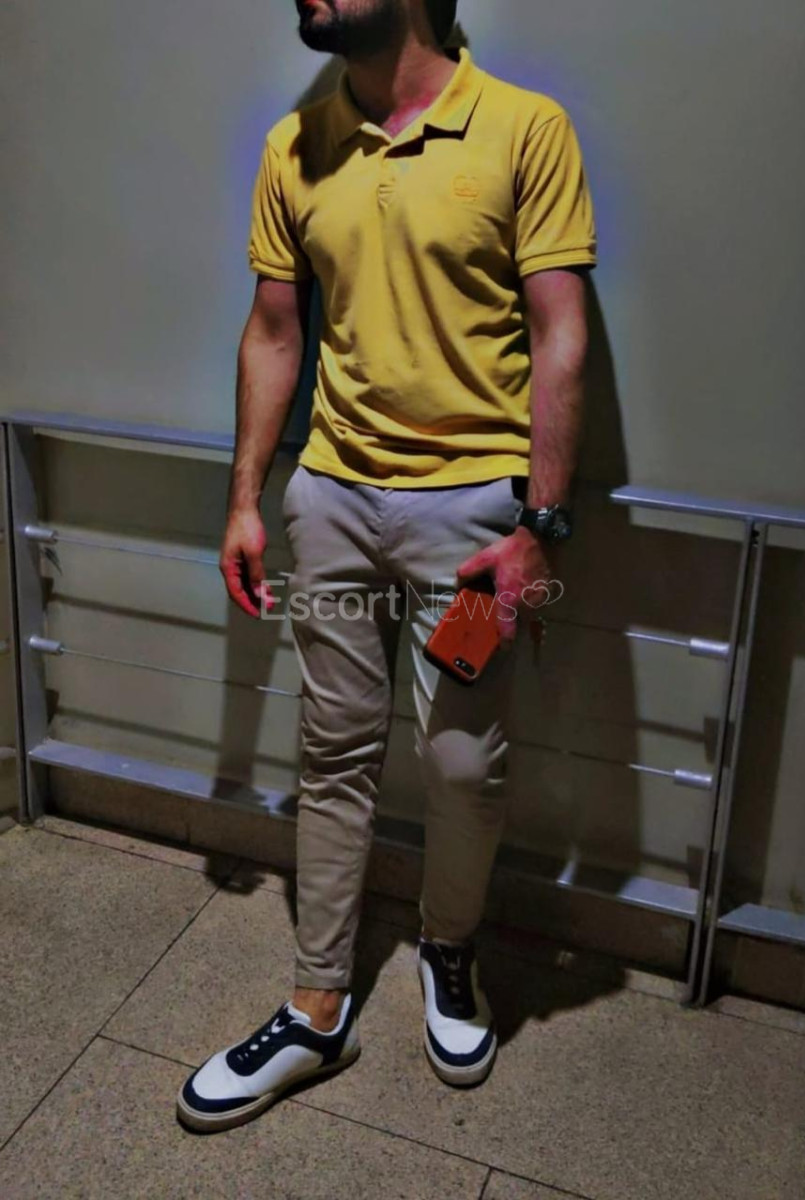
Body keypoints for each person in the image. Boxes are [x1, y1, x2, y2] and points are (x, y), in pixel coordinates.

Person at [177, 0, 596, 1133]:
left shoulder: (524, 128)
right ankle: (318, 1003)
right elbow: (276, 331)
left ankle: (448, 950)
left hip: (477, 518)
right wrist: (245, 500)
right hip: (333, 500)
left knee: (462, 762)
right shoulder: (295, 143)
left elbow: (559, 333)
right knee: (332, 748)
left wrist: (539, 527)